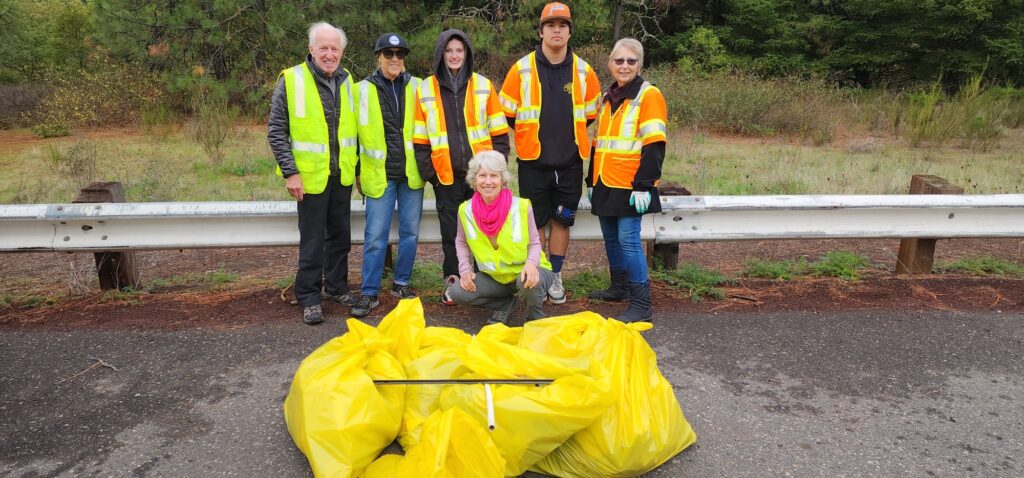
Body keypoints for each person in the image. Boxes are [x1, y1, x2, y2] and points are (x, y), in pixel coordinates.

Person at [499, 2, 601, 305]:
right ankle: (539, 276)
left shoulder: (584, 71)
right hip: (533, 162)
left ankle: (555, 276)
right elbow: (508, 113)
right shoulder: (521, 69)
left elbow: (591, 114)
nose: (557, 30)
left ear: (569, 32)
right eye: (551, 25)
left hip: (570, 163)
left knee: (561, 221)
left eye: (563, 25)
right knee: (536, 223)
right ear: (542, 30)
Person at [268, 22, 358, 325]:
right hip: (308, 178)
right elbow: (276, 131)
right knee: (312, 241)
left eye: (335, 48)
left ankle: (336, 288)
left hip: (341, 175)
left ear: (342, 52)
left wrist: (355, 170)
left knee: (340, 238)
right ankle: (308, 296)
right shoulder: (291, 80)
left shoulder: (348, 81)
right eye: (324, 48)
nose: (329, 54)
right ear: (311, 50)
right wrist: (290, 173)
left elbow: (354, 131)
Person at [413, 29, 510, 306]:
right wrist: (431, 175)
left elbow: (500, 135)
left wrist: (495, 172)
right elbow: (420, 140)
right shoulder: (425, 89)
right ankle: (454, 281)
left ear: (466, 54)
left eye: (459, 51)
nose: (454, 56)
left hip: (482, 179)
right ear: (440, 54)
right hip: (445, 178)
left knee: (486, 232)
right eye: (449, 51)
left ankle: (484, 283)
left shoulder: (483, 85)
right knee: (451, 234)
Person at [585, 38, 668, 322]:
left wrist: (645, 184)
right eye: (619, 61)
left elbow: (654, 144)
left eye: (631, 61)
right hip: (605, 182)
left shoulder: (649, 95)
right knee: (610, 239)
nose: (624, 66)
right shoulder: (606, 96)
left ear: (640, 64)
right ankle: (618, 288)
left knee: (629, 241)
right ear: (610, 64)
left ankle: (641, 305)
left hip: (632, 186)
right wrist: (590, 181)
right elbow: (598, 143)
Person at [351, 33, 423, 318]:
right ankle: (369, 292)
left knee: (411, 233)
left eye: (400, 55)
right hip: (378, 174)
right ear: (378, 56)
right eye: (389, 54)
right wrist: (357, 171)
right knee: (375, 237)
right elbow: (352, 135)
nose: (395, 59)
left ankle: (401, 283)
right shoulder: (360, 90)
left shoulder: (418, 87)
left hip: (410, 174)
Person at [449, 150, 555, 324]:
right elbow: (461, 242)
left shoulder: (521, 206)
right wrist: (465, 270)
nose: (488, 181)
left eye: (494, 176)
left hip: (529, 270)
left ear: (502, 180)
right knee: (456, 292)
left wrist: (531, 264)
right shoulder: (465, 210)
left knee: (529, 282)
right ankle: (504, 305)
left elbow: (535, 242)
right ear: (474, 180)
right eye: (483, 176)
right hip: (496, 278)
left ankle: (535, 320)